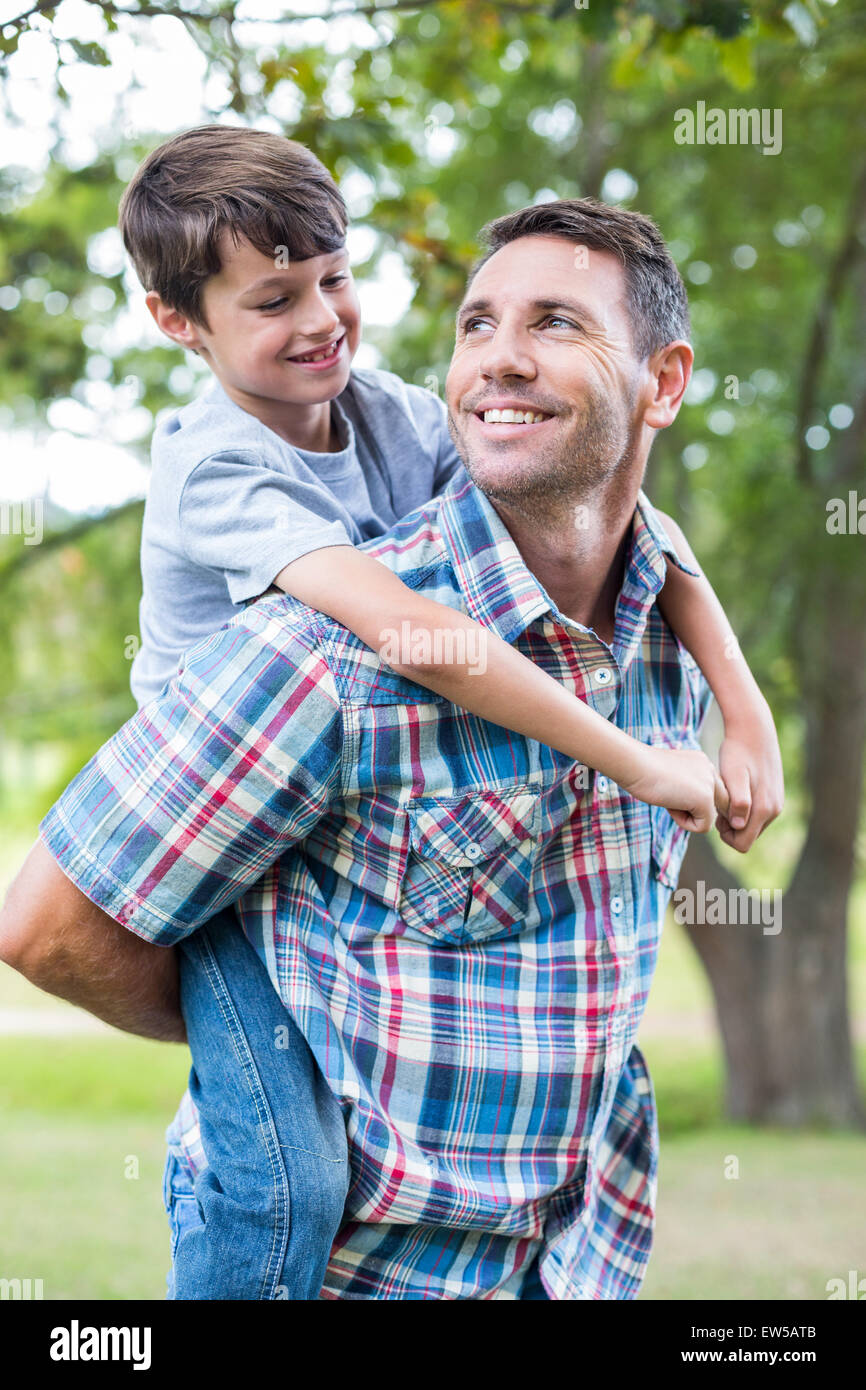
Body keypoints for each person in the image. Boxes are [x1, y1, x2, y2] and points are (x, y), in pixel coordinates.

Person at [0, 196, 783, 1300]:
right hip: (365, 1277)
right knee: (279, 1173)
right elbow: (42, 925)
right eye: (475, 324)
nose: (498, 359)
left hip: (573, 1265)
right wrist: (272, 1032)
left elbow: (651, 536)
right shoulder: (315, 647)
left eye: (552, 322)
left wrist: (742, 707)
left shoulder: (649, 628)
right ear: (183, 321)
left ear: (662, 382)